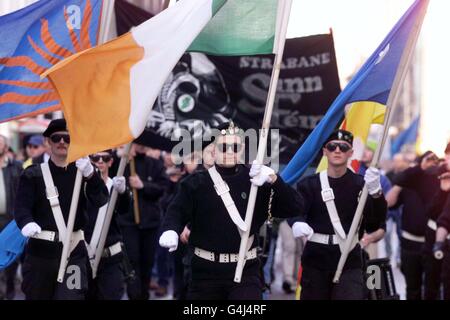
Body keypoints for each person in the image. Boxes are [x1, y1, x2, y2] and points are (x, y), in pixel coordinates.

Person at [159, 121, 303, 300]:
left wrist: (274, 179)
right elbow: (176, 211)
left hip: (245, 272)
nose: (229, 152)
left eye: (234, 147)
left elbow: (295, 206)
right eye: (223, 146)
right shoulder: (195, 183)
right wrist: (171, 230)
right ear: (214, 150)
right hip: (205, 274)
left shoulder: (255, 182)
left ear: (242, 149)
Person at [14, 119, 109, 300]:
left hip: (74, 252)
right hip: (41, 252)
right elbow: (21, 207)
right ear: (48, 142)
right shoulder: (32, 174)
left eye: (67, 138)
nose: (62, 142)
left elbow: (101, 200)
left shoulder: (83, 172)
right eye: (56, 137)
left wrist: (91, 175)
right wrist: (26, 223)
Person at [290, 129, 387, 300]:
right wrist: (296, 222)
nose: (337, 150)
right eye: (332, 146)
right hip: (316, 260)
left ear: (351, 153)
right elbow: (295, 211)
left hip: (349, 260)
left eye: (343, 147)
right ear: (324, 151)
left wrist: (377, 194)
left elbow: (374, 224)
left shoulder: (361, 185)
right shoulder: (309, 185)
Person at [392, 148, 447, 299]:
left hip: (433, 243)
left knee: (433, 288)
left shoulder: (442, 181)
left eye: (436, 162)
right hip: (410, 243)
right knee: (413, 287)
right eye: (429, 161)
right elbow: (394, 188)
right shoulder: (412, 180)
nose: (432, 164)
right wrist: (419, 168)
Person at [118, 143, 168, 300]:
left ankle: (144, 294)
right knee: (132, 262)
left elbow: (162, 188)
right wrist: (121, 158)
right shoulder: (124, 163)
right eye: (137, 142)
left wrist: (143, 185)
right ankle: (134, 296)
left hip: (150, 223)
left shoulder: (155, 164)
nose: (141, 146)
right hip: (128, 222)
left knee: (147, 262)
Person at [85, 150, 129, 300]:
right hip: (82, 257)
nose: (100, 161)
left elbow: (125, 210)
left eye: (105, 158)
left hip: (110, 258)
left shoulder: (115, 187)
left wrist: (123, 193)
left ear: (111, 161)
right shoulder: (80, 187)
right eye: (96, 157)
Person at [0, 135, 22, 300]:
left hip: (10, 221)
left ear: (6, 147)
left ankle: (9, 293)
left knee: (11, 261)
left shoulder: (16, 167)